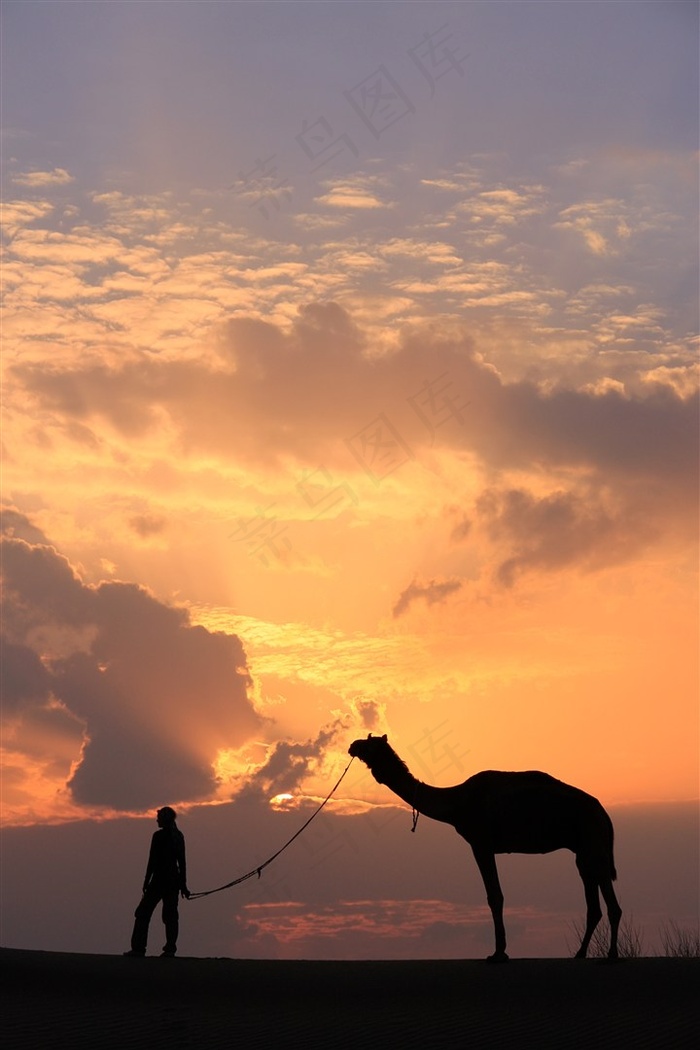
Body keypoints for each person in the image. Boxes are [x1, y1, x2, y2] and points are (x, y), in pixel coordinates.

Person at [124, 806, 191, 957]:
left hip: (159, 881)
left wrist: (146, 880)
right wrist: (183, 885)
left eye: (159, 818)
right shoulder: (179, 836)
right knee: (170, 916)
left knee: (143, 913)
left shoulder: (159, 836)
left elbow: (152, 861)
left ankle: (138, 948)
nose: (156, 820)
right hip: (173, 881)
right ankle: (170, 949)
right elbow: (182, 863)